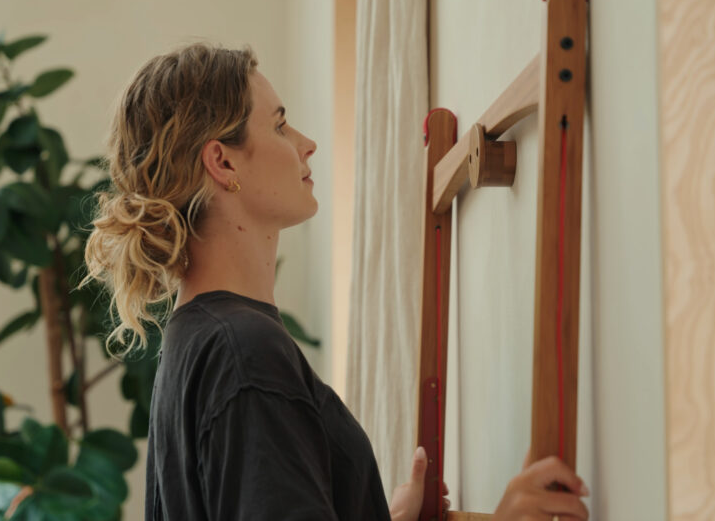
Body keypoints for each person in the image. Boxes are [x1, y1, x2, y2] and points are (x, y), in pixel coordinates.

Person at [80, 43, 590, 521]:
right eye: (280, 127)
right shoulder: (243, 353)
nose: (307, 144)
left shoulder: (195, 342)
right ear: (223, 161)